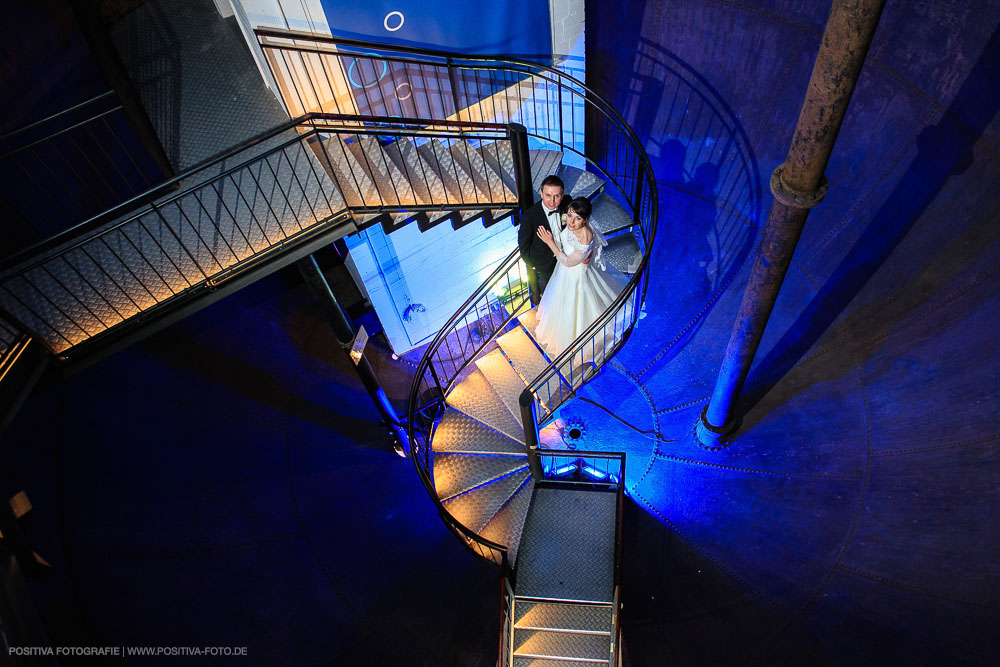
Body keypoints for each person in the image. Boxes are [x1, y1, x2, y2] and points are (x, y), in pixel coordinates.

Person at [533, 197, 629, 357]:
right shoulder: (570, 222)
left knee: (575, 306)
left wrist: (549, 242)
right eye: (569, 215)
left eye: (577, 218)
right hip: (564, 272)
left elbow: (567, 262)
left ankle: (575, 340)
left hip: (575, 275)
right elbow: (567, 224)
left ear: (585, 220)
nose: (571, 222)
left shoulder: (585, 239)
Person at [518, 175, 571, 305]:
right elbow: (523, 248)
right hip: (545, 264)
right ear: (541, 193)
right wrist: (535, 264)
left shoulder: (567, 203)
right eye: (548, 195)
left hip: (567, 257)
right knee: (550, 299)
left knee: (569, 291)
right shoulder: (530, 217)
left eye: (556, 196)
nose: (552, 201)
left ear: (562, 195)